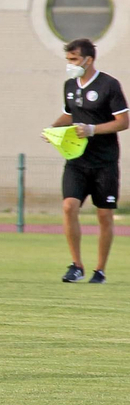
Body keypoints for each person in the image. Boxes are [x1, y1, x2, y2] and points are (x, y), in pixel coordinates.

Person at [49, 37, 126, 283]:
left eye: (73, 59)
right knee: (69, 206)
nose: (70, 64)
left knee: (104, 215)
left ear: (88, 59)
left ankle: (100, 270)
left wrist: (92, 129)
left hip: (105, 162)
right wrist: (52, 129)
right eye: (68, 59)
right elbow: (68, 114)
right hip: (76, 161)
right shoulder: (69, 85)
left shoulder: (109, 85)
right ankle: (76, 265)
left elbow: (123, 122)